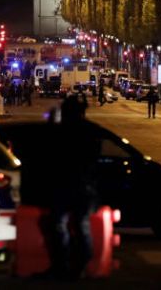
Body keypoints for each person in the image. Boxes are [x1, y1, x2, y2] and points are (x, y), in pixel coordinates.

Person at [45, 94, 99, 279]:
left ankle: (63, 264)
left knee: (59, 224)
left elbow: (51, 155)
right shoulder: (90, 130)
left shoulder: (63, 131)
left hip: (68, 183)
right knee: (80, 225)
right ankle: (79, 266)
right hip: (83, 185)